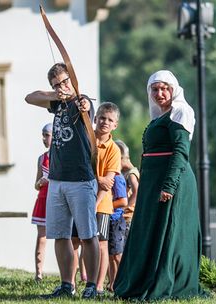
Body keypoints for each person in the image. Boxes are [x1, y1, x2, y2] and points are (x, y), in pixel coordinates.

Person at [113, 70, 207, 300]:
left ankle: (170, 283)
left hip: (172, 182)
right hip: (153, 183)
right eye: (155, 89)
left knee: (170, 232)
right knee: (152, 231)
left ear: (173, 89)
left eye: (164, 88)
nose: (159, 93)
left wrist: (169, 185)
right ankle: (142, 279)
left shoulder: (180, 112)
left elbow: (180, 152)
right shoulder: (160, 116)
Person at [25, 63, 100, 299]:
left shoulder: (83, 101)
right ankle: (67, 285)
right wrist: (55, 94)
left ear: (73, 79)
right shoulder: (57, 102)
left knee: (88, 235)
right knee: (60, 234)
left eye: (65, 82)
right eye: (57, 84)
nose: (62, 87)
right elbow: (29, 97)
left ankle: (91, 287)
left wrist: (79, 99)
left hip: (80, 179)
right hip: (57, 180)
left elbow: (87, 106)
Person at [92, 102, 122, 295]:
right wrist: (97, 178)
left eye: (110, 120)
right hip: (79, 198)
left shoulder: (114, 150)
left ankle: (99, 285)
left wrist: (94, 205)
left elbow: (107, 183)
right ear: (95, 119)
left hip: (101, 205)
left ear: (115, 125)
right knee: (76, 241)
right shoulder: (86, 140)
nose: (105, 122)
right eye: (102, 117)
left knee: (101, 243)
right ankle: (77, 282)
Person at [31, 123, 52, 282]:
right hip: (44, 199)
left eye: (47, 135)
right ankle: (38, 273)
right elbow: (36, 184)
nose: (45, 138)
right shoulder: (42, 158)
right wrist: (41, 182)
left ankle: (76, 273)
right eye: (43, 135)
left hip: (58, 199)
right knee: (42, 237)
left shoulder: (64, 156)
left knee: (70, 238)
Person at [114, 139, 140, 238]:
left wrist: (124, 207)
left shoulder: (131, 174)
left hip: (128, 217)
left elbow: (136, 192)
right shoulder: (130, 172)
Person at [107, 174, 128, 293]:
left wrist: (104, 206)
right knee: (111, 255)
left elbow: (123, 201)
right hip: (109, 220)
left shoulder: (117, 178)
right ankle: (112, 283)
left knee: (117, 255)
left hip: (116, 220)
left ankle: (125, 282)